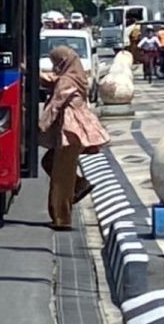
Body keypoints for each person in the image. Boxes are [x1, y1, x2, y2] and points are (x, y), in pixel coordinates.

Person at [38, 46, 110, 230]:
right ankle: (80, 184)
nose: (54, 67)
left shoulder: (66, 82)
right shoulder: (75, 76)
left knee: (61, 177)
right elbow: (51, 80)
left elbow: (55, 105)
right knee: (50, 162)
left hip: (70, 133)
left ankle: (61, 218)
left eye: (56, 62)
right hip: (76, 133)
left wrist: (39, 128)